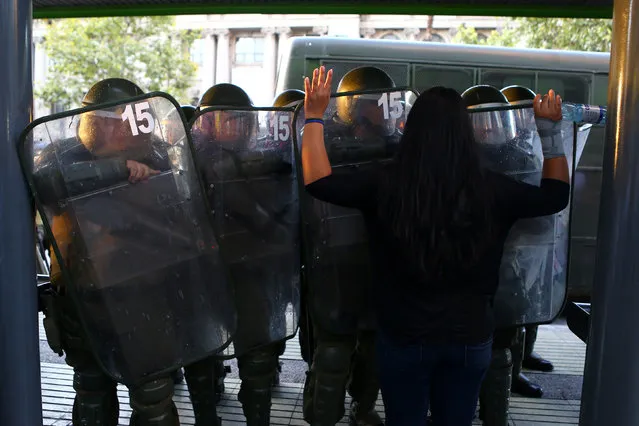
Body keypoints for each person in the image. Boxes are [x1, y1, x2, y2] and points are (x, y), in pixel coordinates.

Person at [299, 66, 570, 425]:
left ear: (411, 129)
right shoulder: (492, 189)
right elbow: (554, 196)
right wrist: (549, 133)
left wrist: (315, 116)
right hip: (470, 336)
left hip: (403, 336)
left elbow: (318, 182)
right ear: (466, 132)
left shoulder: (385, 183)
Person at [192, 83, 300, 425]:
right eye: (223, 119)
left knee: (257, 358)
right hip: (202, 274)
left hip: (251, 270)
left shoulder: (266, 159)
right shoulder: (184, 161)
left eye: (239, 120)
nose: (233, 127)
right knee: (200, 356)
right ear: (205, 123)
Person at [301, 66, 400, 426]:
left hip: (380, 256)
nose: (378, 112)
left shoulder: (396, 145)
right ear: (351, 107)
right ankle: (323, 414)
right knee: (333, 349)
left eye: (383, 104)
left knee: (375, 347)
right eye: (370, 104)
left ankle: (364, 406)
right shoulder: (326, 140)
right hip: (333, 258)